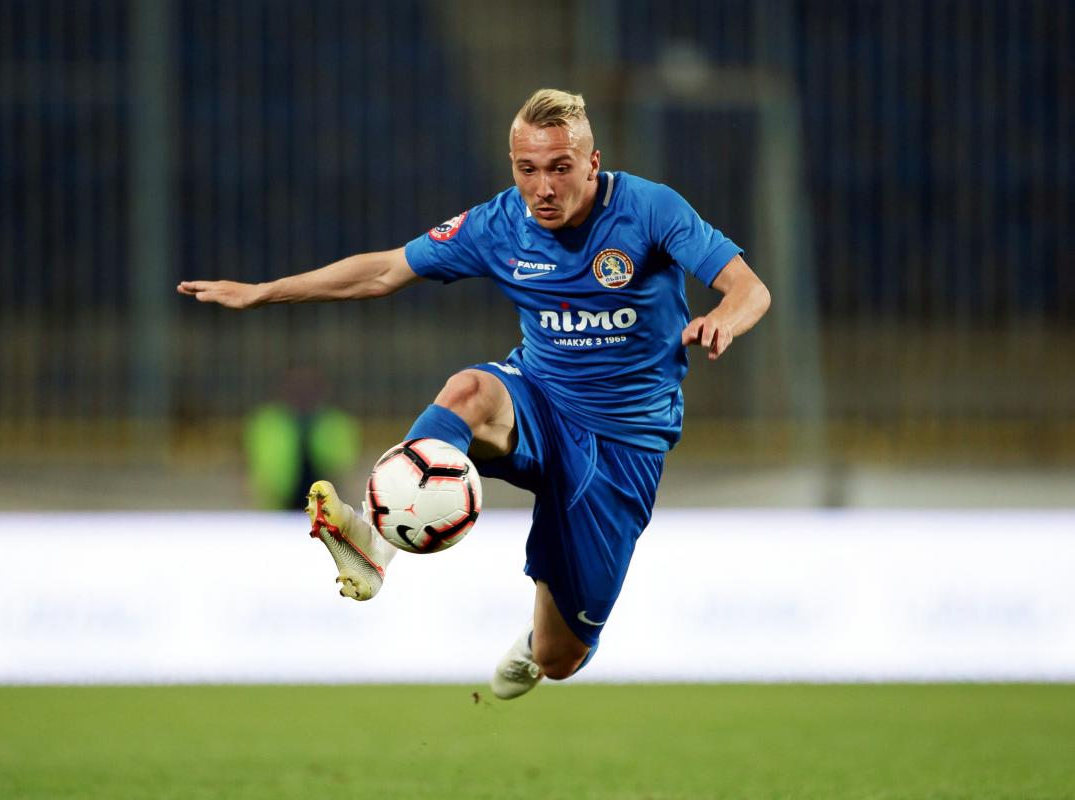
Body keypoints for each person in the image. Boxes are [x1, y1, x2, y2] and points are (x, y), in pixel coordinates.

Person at [178, 88, 771, 700]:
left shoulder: (650, 209)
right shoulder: (500, 223)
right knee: (468, 390)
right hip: (537, 401)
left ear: (593, 164)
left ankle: (538, 646)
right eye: (527, 169)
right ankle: (373, 545)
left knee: (561, 656)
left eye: (560, 168)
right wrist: (264, 292)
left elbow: (751, 290)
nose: (543, 188)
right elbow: (386, 269)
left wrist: (723, 320)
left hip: (622, 442)